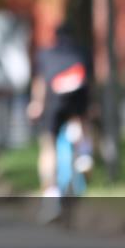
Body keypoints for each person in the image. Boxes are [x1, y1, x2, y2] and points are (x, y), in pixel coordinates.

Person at [27, 22, 93, 204]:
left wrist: (36, 104)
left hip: (53, 101)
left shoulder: (45, 54)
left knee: (49, 145)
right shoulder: (83, 51)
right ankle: (85, 155)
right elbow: (89, 82)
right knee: (80, 122)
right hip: (78, 98)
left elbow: (40, 82)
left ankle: (51, 190)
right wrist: (92, 106)